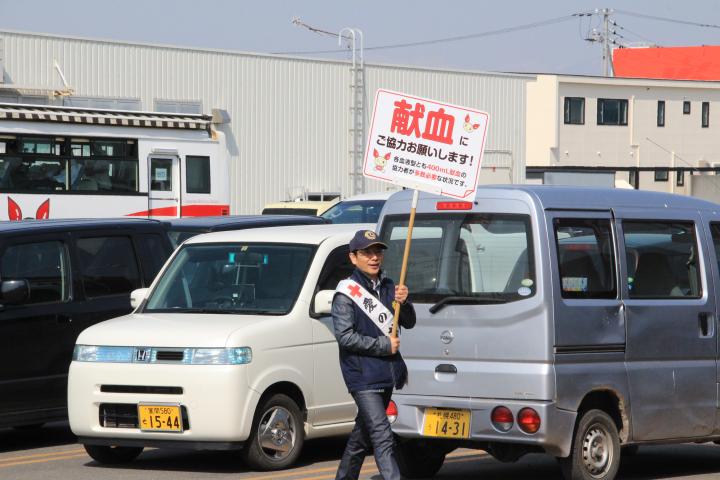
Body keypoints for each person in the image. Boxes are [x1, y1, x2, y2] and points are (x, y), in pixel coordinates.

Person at [333, 229, 416, 480]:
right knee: (382, 434)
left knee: (362, 435)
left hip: (387, 372)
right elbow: (345, 337)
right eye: (366, 252)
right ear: (353, 257)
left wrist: (405, 301)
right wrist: (383, 345)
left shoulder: (390, 286)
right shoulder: (346, 293)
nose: (373, 257)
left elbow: (409, 322)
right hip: (362, 375)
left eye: (377, 251)